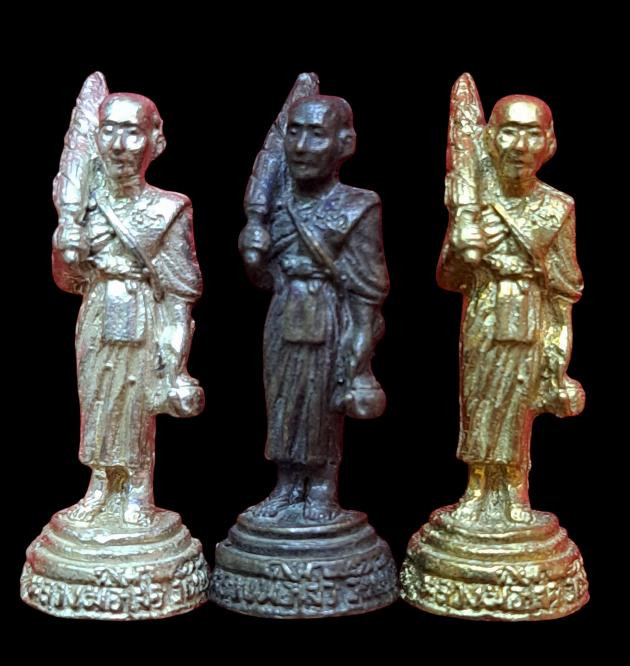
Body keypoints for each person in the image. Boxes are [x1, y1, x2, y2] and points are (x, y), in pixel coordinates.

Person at [52, 93, 203, 526]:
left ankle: (138, 490)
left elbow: (182, 290)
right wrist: (64, 246)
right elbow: (67, 281)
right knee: (98, 400)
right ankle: (100, 486)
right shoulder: (85, 209)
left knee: (135, 404)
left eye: (132, 132)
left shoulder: (169, 209)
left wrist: (176, 362)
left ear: (155, 141)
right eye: (109, 131)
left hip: (143, 316)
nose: (119, 145)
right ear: (96, 138)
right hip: (98, 313)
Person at [239, 95, 388, 522]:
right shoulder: (277, 205)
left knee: (322, 403)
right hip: (285, 311)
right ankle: (286, 485)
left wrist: (359, 356)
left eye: (317, 135)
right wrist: (252, 255)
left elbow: (369, 287)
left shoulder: (359, 206)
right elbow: (265, 279)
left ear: (344, 144)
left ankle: (322, 488)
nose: (302, 146)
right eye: (295, 132)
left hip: (329, 315)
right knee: (283, 400)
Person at [439, 95, 584, 524]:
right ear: (490, 138)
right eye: (509, 131)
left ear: (548, 143)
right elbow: (449, 278)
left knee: (518, 408)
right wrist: (461, 247)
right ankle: (476, 490)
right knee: (480, 402)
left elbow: (564, 291)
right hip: (484, 314)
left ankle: (515, 492)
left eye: (532, 133)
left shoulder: (557, 208)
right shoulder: (474, 202)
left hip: (530, 319)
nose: (520, 145)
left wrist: (558, 364)